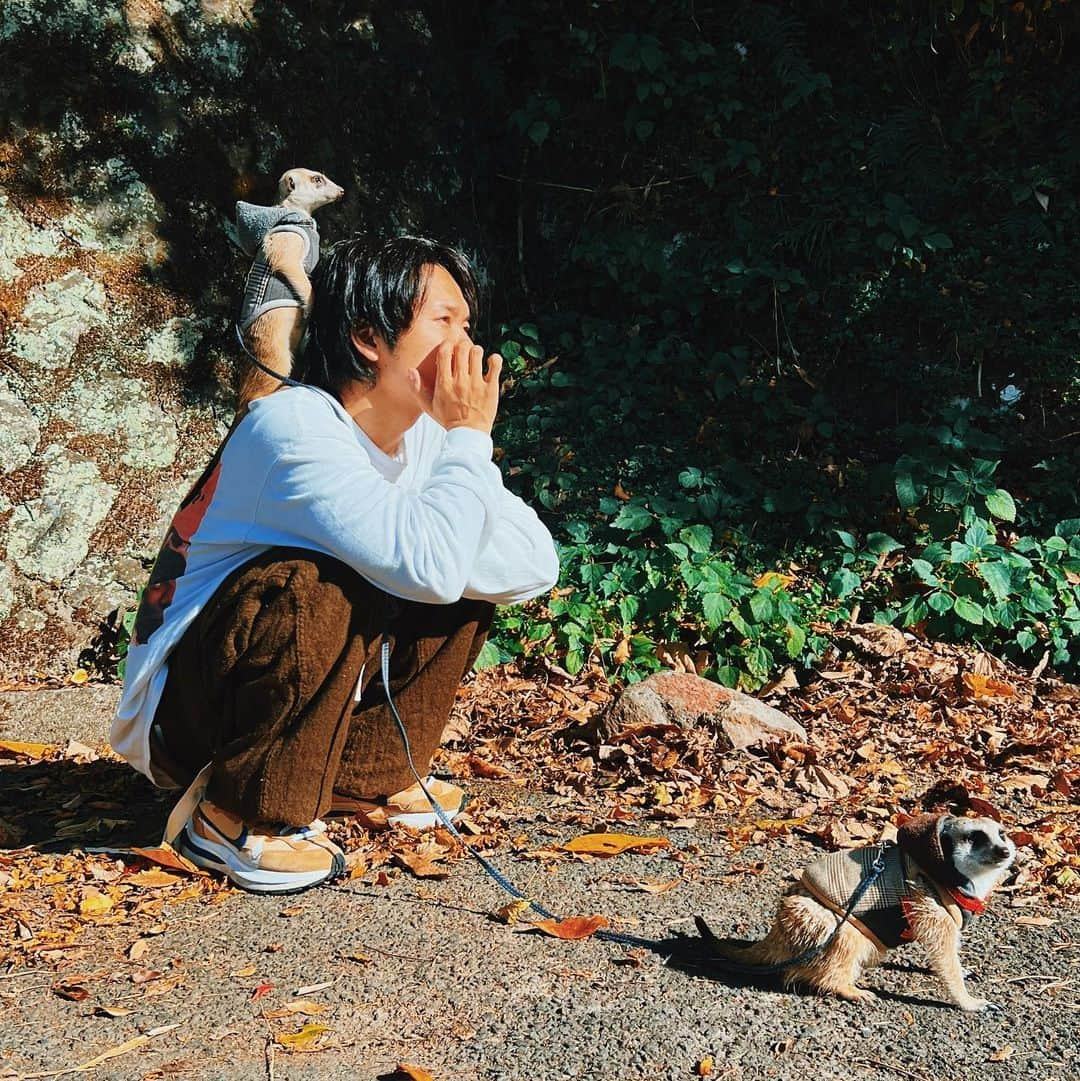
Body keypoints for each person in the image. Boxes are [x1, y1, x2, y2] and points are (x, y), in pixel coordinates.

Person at [110, 235, 560, 895]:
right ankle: (236, 814)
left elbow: (534, 564)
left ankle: (360, 774)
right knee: (317, 585)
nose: (468, 348)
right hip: (182, 718)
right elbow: (429, 564)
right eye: (444, 322)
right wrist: (467, 445)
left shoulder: (427, 435)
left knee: (452, 561)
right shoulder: (293, 427)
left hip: (287, 689)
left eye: (468, 325)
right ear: (369, 337)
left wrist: (454, 468)